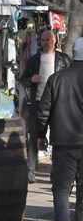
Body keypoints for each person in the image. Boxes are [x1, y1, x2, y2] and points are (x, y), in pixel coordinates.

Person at [37, 38, 83, 221]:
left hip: (64, 142)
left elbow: (43, 110)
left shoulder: (57, 78)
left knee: (62, 189)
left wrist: (41, 135)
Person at [20, 30, 71, 183]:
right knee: (34, 136)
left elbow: (70, 79)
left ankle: (55, 170)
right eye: (42, 40)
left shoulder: (63, 59)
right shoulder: (34, 60)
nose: (45, 43)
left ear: (55, 41)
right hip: (38, 102)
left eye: (47, 40)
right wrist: (31, 79)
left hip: (58, 103)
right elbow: (23, 80)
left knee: (57, 137)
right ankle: (31, 169)